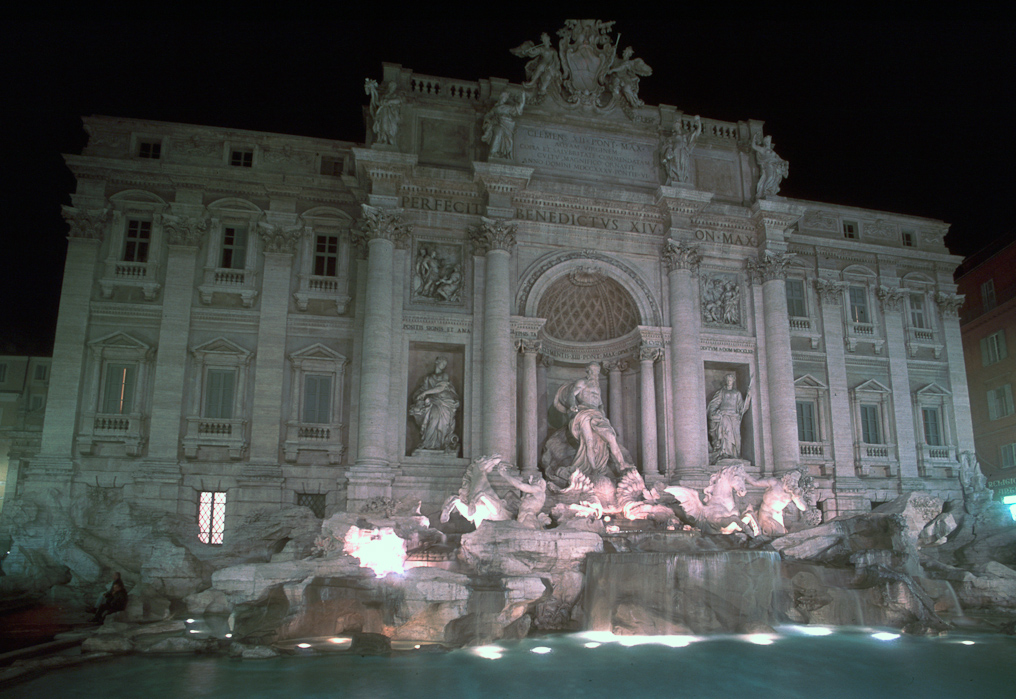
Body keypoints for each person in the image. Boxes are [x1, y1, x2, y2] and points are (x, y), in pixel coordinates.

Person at [553, 363, 632, 477]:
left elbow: (600, 405)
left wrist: (605, 419)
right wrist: (572, 404)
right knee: (588, 442)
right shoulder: (582, 382)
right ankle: (593, 469)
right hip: (584, 413)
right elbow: (572, 394)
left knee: (611, 437)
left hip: (597, 414)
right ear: (587, 371)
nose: (594, 374)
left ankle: (622, 464)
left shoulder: (597, 387)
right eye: (592, 371)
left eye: (596, 372)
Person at [408, 357, 460, 453]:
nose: (444, 366)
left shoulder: (444, 376)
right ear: (437, 362)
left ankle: (440, 444)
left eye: (445, 365)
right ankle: (428, 444)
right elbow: (421, 390)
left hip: (445, 403)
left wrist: (425, 393)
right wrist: (419, 396)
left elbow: (440, 388)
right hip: (433, 402)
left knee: (443, 423)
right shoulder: (427, 378)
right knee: (433, 418)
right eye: (442, 363)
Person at [707, 373, 750, 461]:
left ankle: (735, 454)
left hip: (734, 416)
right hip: (724, 415)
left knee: (736, 436)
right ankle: (725, 453)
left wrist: (748, 397)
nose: (729, 381)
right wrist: (713, 412)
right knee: (727, 433)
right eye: (727, 380)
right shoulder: (722, 392)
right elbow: (715, 403)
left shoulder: (737, 393)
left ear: (733, 381)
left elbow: (742, 407)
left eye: (730, 380)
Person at [482, 90, 525, 159]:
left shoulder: (507, 108)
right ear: (500, 97)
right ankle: (493, 152)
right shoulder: (495, 108)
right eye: (504, 97)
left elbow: (519, 108)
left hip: (508, 126)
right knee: (498, 132)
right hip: (498, 124)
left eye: (506, 98)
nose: (505, 99)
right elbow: (487, 117)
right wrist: (491, 121)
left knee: (508, 141)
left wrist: (523, 97)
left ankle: (504, 154)